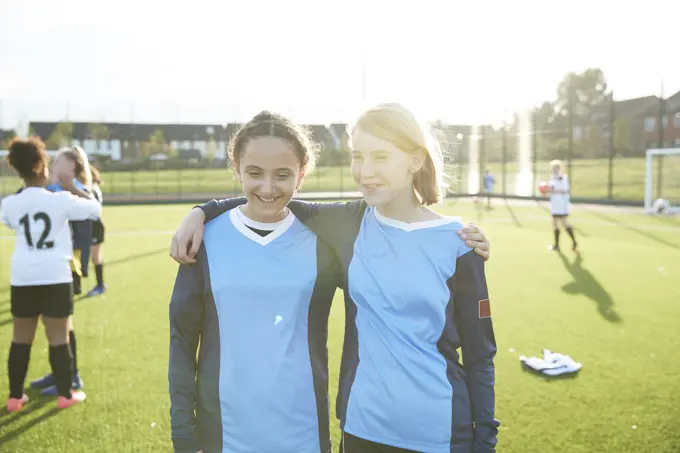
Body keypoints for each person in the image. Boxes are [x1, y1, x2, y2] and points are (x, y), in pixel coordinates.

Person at [171, 104, 498, 453]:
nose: (365, 171)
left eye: (381, 156)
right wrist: (203, 212)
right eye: (358, 156)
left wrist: (486, 442)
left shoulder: (459, 243)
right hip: (362, 430)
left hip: (441, 433)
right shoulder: (349, 226)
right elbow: (271, 198)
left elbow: (480, 356)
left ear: (415, 160)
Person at [0, 137, 100, 411]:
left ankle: (14, 397)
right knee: (59, 337)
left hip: (23, 276)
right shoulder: (60, 200)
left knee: (21, 338)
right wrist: (72, 187)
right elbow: (94, 209)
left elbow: (8, 220)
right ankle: (65, 395)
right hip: (55, 275)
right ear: (41, 166)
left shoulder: (10, 203)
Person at [30, 147, 92, 396]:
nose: (53, 166)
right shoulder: (50, 190)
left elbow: (91, 208)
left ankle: (71, 376)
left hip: (67, 266)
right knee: (51, 321)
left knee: (62, 322)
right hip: (48, 264)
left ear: (72, 168)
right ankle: (60, 371)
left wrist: (68, 187)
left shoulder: (76, 190)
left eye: (59, 163)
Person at [546, 160, 577, 251]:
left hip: (561, 203)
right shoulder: (552, 178)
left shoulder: (563, 178)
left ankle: (563, 244)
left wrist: (552, 191)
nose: (554, 170)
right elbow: (550, 189)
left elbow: (564, 191)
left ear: (559, 169)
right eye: (553, 168)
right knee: (558, 223)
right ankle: (559, 245)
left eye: (556, 168)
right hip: (555, 203)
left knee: (562, 222)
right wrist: (546, 190)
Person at [86, 165, 106, 296]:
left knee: (95, 257)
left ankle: (100, 285)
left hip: (94, 227)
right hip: (90, 226)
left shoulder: (92, 190)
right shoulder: (91, 189)